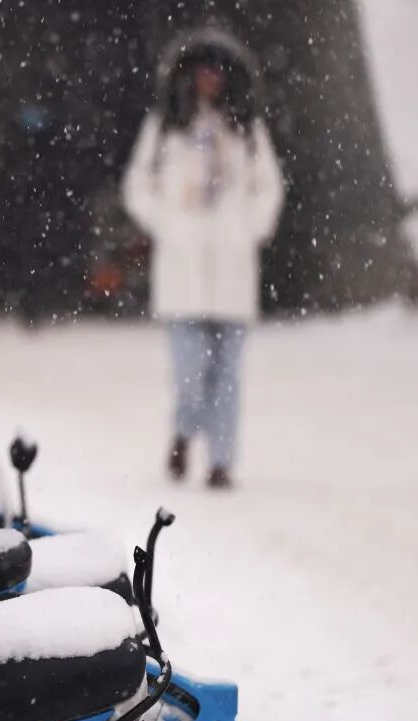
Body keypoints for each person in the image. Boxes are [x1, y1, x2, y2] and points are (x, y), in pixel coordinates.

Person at [122, 29, 284, 488]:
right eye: (202, 71)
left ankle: (221, 462)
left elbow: (268, 187)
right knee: (191, 373)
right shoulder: (165, 130)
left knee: (228, 374)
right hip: (183, 270)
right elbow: (138, 186)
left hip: (232, 268)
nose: (209, 80)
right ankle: (184, 429)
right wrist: (166, 225)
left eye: (217, 72)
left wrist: (250, 228)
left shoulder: (247, 132)